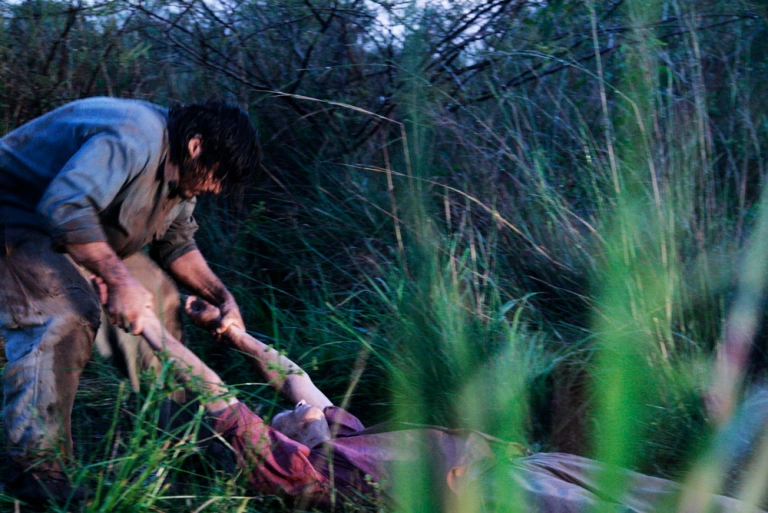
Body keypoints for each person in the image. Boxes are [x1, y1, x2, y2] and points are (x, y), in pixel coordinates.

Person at [133, 296, 757, 512]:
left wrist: (234, 334)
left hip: (524, 463)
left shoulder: (341, 431)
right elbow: (217, 398)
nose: (302, 406)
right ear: (286, 438)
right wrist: (151, 330)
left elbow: (291, 376)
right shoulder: (310, 471)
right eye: (289, 417)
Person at [0, 97, 261, 503]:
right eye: (218, 176)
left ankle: (188, 443)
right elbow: (64, 205)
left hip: (70, 235)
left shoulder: (181, 172)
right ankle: (35, 469)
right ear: (196, 147)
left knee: (159, 303)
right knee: (66, 312)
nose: (216, 188)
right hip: (15, 218)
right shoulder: (134, 136)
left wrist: (222, 297)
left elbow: (177, 244)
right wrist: (117, 278)